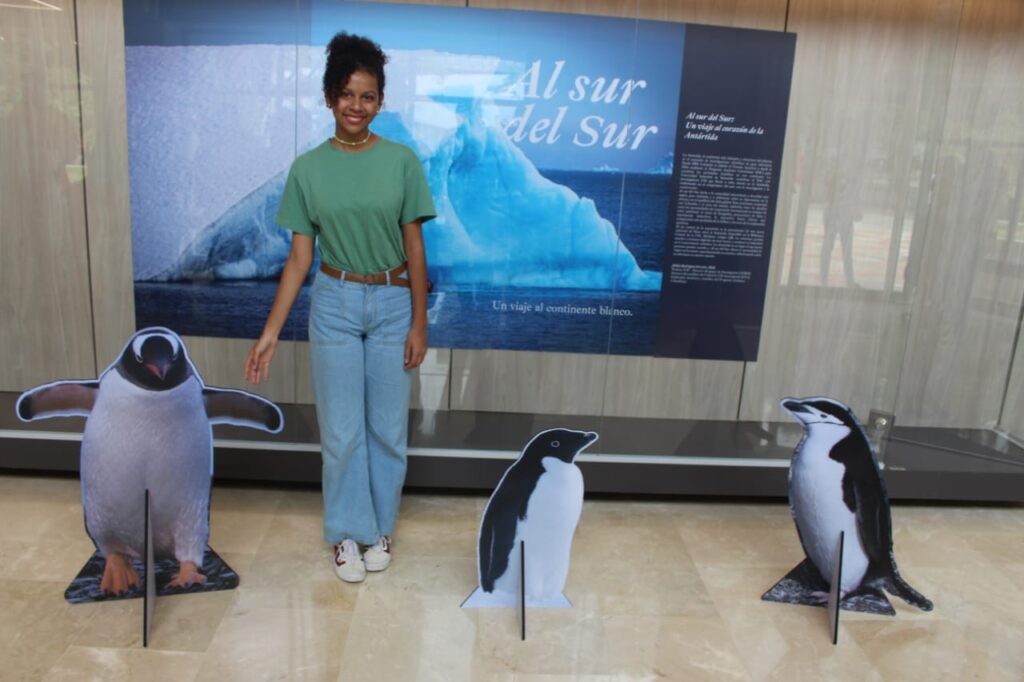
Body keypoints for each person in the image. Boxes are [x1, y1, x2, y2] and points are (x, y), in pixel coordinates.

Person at [244, 32, 436, 583]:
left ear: (380, 102)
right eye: (348, 94)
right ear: (330, 96)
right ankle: (347, 534)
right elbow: (299, 260)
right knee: (343, 430)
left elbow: (417, 247)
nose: (358, 106)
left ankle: (381, 529)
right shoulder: (307, 169)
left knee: (387, 430)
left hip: (394, 301)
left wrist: (421, 322)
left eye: (369, 96)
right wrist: (270, 332)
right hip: (333, 300)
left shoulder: (402, 162)